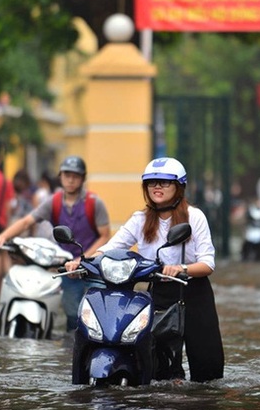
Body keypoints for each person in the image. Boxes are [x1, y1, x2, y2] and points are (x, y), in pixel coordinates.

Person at [66, 157, 224, 382]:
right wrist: (81, 262)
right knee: (155, 362)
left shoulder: (194, 217)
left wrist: (180, 268)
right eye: (152, 183)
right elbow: (111, 247)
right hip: (157, 291)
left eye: (164, 182)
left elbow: (207, 263)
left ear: (179, 187)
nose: (157, 187)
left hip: (192, 291)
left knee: (206, 366)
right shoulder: (140, 219)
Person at [0, 156, 111, 331]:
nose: (70, 180)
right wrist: (3, 236)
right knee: (72, 315)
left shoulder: (94, 203)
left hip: (93, 267)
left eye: (75, 176)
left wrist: (84, 259)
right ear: (60, 176)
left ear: (83, 178)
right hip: (68, 268)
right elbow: (27, 221)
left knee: (99, 314)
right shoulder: (53, 202)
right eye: (67, 175)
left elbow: (105, 235)